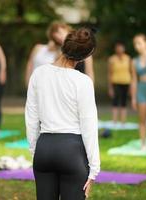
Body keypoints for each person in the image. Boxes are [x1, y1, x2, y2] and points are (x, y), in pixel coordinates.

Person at [25, 28, 100, 200]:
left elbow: (31, 117)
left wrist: (35, 150)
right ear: (85, 56)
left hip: (44, 149)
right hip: (72, 151)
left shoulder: (38, 74)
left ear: (64, 45)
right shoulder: (83, 82)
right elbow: (89, 125)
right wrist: (94, 169)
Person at [25, 22, 95, 86]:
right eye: (55, 35)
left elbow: (89, 72)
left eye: (59, 32)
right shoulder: (59, 51)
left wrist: (90, 87)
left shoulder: (85, 50)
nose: (58, 36)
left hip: (79, 85)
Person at [108, 41, 131, 124]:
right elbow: (110, 73)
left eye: (121, 47)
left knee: (124, 102)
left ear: (124, 49)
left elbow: (131, 72)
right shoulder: (112, 59)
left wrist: (131, 86)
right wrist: (110, 87)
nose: (119, 49)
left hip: (126, 82)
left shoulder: (128, 59)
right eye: (118, 48)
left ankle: (123, 121)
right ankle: (114, 121)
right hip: (115, 82)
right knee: (115, 101)